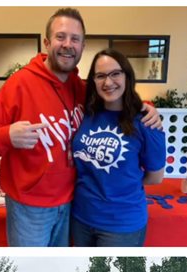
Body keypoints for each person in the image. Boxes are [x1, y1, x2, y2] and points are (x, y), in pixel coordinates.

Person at [0, 8, 160, 247]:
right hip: (30, 205)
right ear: (47, 42)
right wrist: (7, 135)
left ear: (83, 46)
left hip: (72, 203)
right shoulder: (19, 84)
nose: (67, 44)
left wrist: (148, 107)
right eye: (61, 37)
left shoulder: (81, 88)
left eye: (75, 39)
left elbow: (115, 98)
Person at [71, 49, 166, 246]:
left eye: (115, 73)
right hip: (81, 217)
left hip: (122, 224)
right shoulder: (86, 114)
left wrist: (122, 184)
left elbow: (155, 177)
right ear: (93, 81)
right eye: (100, 76)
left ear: (127, 76)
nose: (108, 82)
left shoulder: (147, 123)